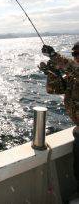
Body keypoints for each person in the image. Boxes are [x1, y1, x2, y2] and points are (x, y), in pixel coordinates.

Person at [39, 41, 79, 192]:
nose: (76, 57)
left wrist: (54, 56)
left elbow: (74, 69)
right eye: (74, 54)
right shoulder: (73, 76)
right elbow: (54, 89)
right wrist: (52, 74)